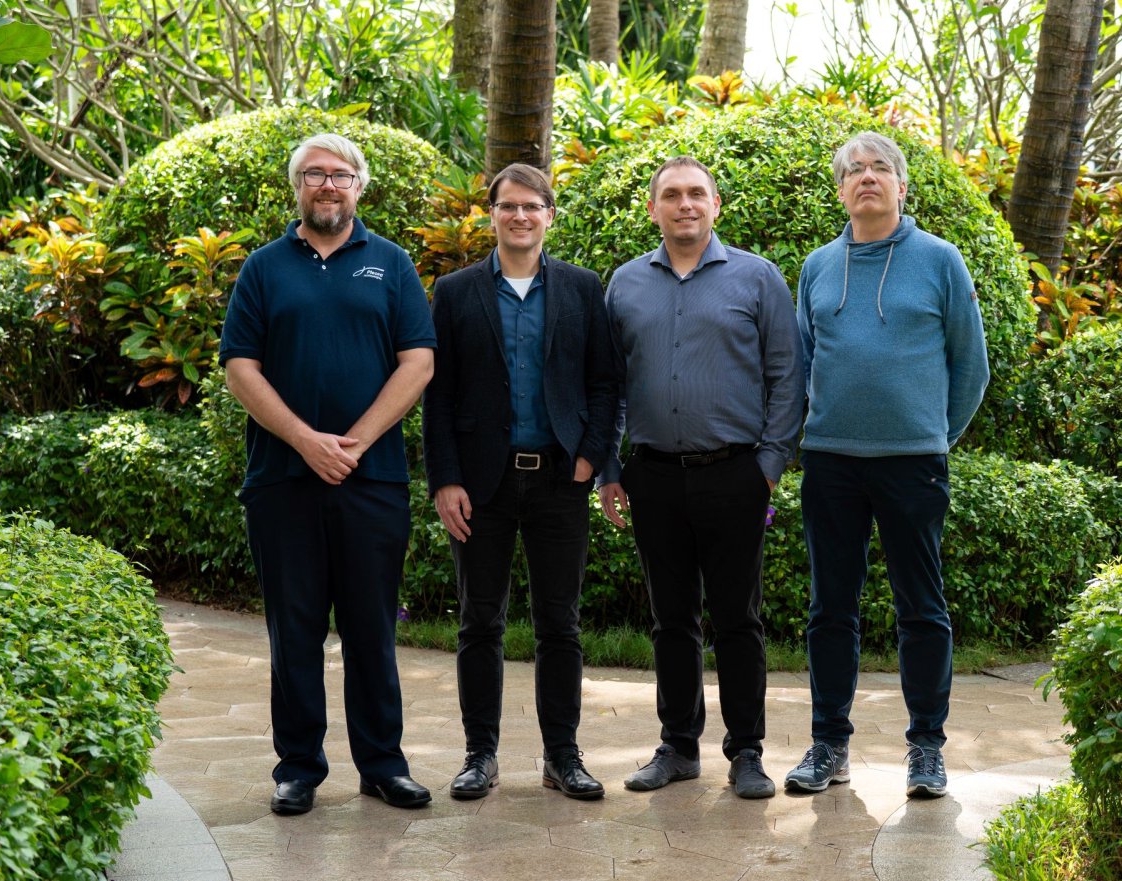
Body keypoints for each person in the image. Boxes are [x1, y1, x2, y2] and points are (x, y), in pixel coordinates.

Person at [219, 133, 436, 815]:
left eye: (341, 175)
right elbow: (239, 368)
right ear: (297, 187)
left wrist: (355, 443)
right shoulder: (263, 268)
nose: (328, 186)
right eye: (314, 174)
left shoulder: (391, 263)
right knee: (294, 630)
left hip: (373, 482)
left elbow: (418, 362)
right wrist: (306, 441)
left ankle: (383, 764)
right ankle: (298, 768)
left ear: (359, 187)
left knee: (371, 628)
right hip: (282, 481)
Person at [785, 131, 989, 799]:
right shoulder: (818, 267)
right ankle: (829, 744)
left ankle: (926, 747)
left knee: (921, 608)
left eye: (879, 168)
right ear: (841, 190)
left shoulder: (940, 260)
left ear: (902, 186)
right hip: (831, 461)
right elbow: (802, 364)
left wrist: (932, 436)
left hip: (912, 464)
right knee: (830, 609)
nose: (866, 176)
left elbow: (971, 366)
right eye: (854, 170)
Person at [598, 156, 805, 800]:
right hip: (653, 476)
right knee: (671, 619)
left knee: (738, 619)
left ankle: (747, 751)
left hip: (734, 473)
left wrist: (768, 467)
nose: (684, 204)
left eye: (696, 194)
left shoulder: (757, 277)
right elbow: (610, 385)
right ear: (653, 208)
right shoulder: (625, 283)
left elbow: (788, 376)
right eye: (671, 195)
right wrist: (610, 468)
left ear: (716, 205)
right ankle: (679, 746)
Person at [422, 163, 617, 801]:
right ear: (492, 215)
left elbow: (604, 381)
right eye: (509, 206)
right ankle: (480, 755)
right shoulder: (455, 292)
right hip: (482, 485)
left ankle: (562, 755)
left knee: (559, 623)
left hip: (560, 478)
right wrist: (445, 479)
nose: (520, 216)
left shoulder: (583, 287)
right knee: (480, 621)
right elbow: (438, 395)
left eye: (532, 206)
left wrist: (590, 458)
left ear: (549, 216)